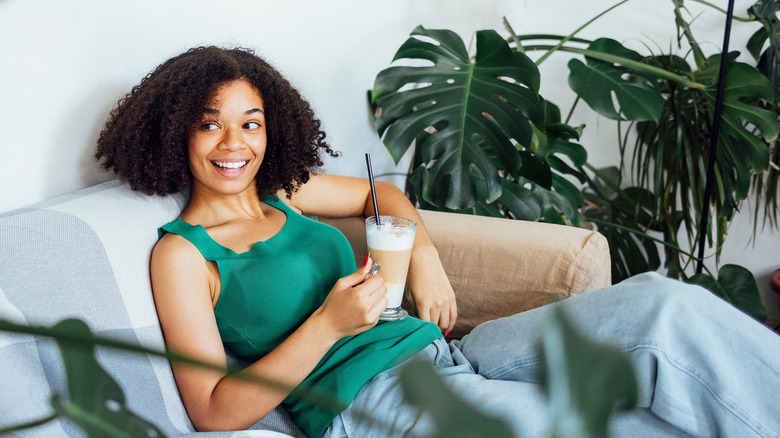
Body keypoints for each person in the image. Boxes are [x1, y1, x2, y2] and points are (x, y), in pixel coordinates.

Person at [95, 46, 780, 438]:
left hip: (451, 350)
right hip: (376, 400)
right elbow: (213, 409)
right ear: (176, 130)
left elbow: (383, 196)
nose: (234, 144)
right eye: (211, 124)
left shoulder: (283, 191)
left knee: (663, 306)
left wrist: (424, 262)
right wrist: (329, 324)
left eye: (251, 123)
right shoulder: (183, 254)